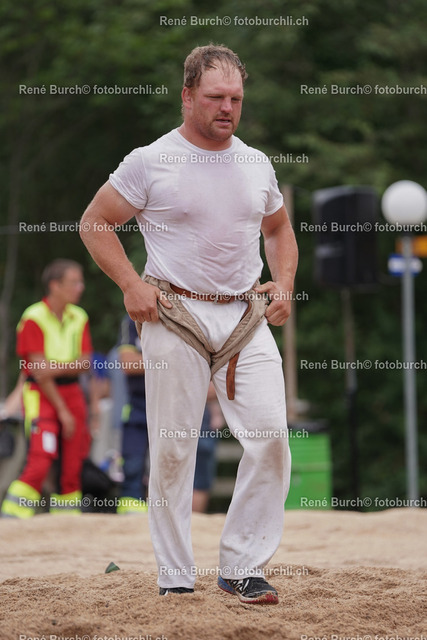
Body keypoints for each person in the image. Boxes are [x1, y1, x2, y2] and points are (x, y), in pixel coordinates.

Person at [80, 44, 298, 605]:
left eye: (236, 99)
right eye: (216, 97)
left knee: (271, 437)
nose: (227, 108)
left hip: (245, 316)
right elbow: (95, 222)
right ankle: (176, 575)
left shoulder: (256, 163)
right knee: (174, 449)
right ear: (187, 96)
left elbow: (277, 228)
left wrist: (284, 284)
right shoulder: (150, 160)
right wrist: (131, 285)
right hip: (174, 313)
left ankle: (242, 567)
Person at [1, 259, 93, 518]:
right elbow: (40, 374)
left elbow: (86, 363)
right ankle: (11, 519)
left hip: (73, 392)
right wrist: (62, 410)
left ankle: (65, 524)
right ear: (55, 285)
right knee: (41, 459)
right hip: (41, 395)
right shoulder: (33, 317)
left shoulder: (79, 316)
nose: (80, 287)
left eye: (80, 282)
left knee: (73, 464)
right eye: (74, 282)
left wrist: (54, 368)